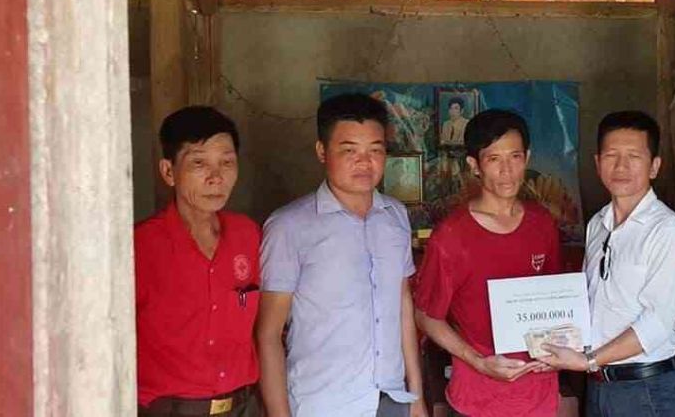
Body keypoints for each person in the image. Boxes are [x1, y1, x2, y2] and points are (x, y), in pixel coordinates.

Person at [256, 93, 427, 417]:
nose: (364, 162)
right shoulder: (289, 226)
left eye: (375, 150)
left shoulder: (395, 217)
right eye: (349, 150)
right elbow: (268, 335)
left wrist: (415, 396)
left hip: (392, 400)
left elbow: (402, 304)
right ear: (322, 151)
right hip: (324, 403)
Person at [537, 111, 675, 417]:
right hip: (600, 385)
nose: (621, 166)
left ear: (654, 166)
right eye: (611, 155)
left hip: (647, 391)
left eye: (634, 156)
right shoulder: (598, 224)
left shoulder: (668, 231)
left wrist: (589, 360)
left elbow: (657, 323)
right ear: (597, 163)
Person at [414, 109, 562, 417]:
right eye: (494, 159)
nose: (507, 170)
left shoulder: (542, 223)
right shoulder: (452, 236)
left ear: (527, 158)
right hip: (478, 398)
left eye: (515, 157)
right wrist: (479, 362)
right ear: (474, 165)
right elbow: (427, 316)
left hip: (539, 395)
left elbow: (556, 297)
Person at [135, 106, 261, 416]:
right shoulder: (140, 246)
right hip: (167, 409)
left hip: (243, 406)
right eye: (199, 163)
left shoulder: (248, 236)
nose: (216, 177)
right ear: (169, 172)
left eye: (226, 162)